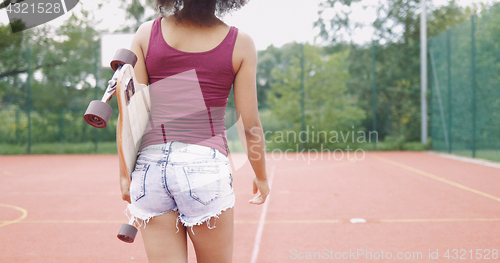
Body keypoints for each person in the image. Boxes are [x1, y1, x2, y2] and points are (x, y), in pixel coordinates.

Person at [119, 0, 270, 262]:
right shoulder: (240, 43)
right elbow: (250, 126)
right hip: (204, 166)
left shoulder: (146, 33)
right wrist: (261, 175)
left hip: (150, 168)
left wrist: (123, 173)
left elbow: (131, 112)